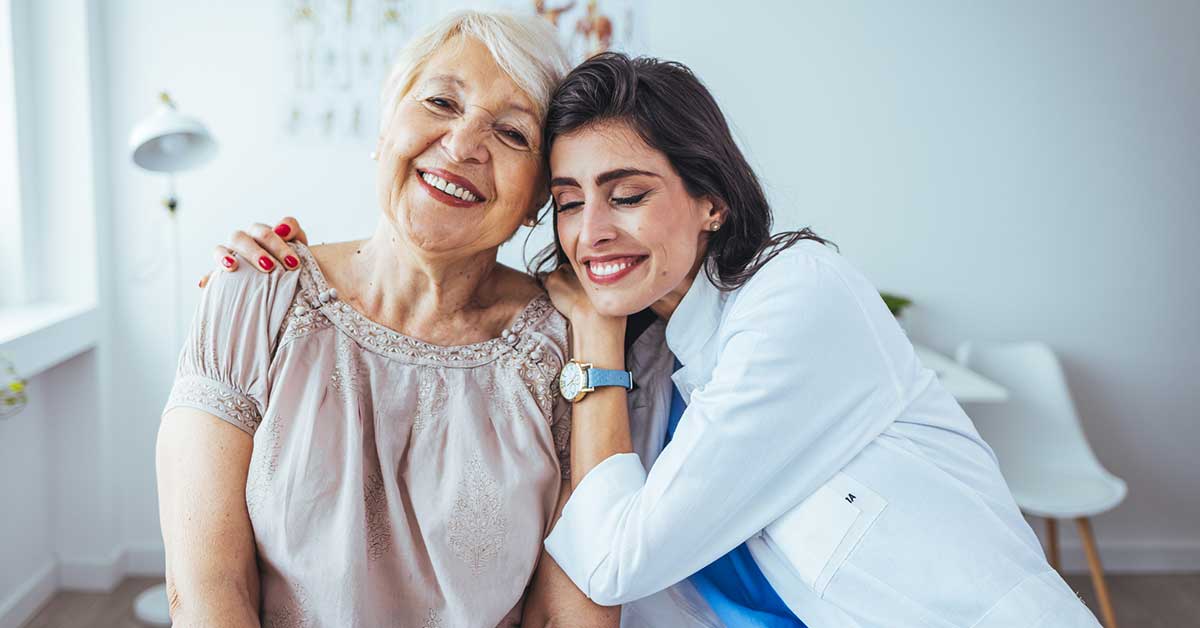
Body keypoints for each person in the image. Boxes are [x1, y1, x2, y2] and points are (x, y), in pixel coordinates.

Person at [208, 54, 1102, 628]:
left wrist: (593, 335)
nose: (589, 230)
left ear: (711, 200)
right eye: (567, 199)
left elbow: (615, 557)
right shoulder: (649, 363)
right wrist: (284, 260)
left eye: (628, 193)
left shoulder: (797, 299)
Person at [157, 11, 619, 627]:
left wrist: (600, 326)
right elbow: (207, 587)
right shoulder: (256, 294)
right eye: (440, 102)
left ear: (540, 196)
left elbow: (571, 612)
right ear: (386, 122)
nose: (462, 145)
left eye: (512, 133)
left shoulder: (567, 346)